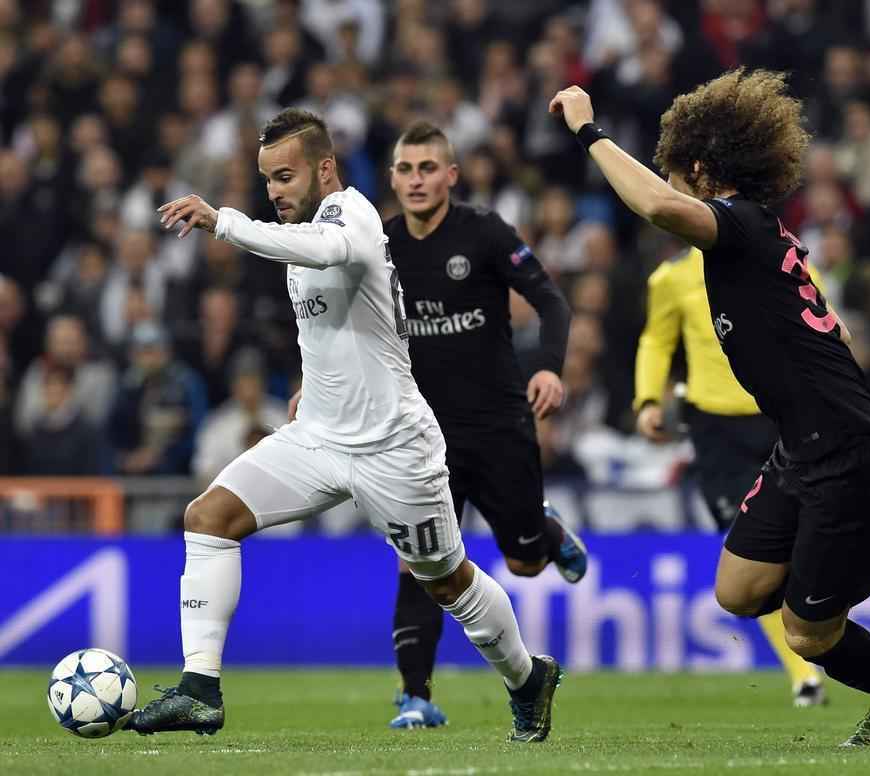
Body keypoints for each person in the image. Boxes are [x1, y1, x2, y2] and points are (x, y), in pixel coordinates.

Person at [550, 69, 870, 747]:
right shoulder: (765, 237)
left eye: (679, 171)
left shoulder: (738, 225)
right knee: (741, 591)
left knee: (808, 632)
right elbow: (831, 331)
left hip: (847, 449)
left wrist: (588, 130)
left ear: (699, 167)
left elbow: (660, 209)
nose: (675, 183)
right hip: (804, 444)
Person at [131, 108, 562, 743]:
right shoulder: (297, 233)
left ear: (324, 168)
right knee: (207, 517)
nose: (275, 190)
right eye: (267, 179)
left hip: (394, 446)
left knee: (446, 580)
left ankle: (527, 679)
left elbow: (331, 251)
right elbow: (335, 323)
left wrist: (224, 221)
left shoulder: (351, 213)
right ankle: (200, 689)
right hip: (321, 438)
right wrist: (314, 383)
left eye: (285, 176)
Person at [380, 120, 586, 729]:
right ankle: (415, 696)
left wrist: (548, 368)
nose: (416, 180)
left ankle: (542, 531)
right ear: (392, 178)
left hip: (498, 424)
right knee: (420, 561)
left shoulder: (486, 233)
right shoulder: (380, 243)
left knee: (523, 563)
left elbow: (551, 300)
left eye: (427, 168)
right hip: (419, 433)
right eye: (405, 169)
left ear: (451, 175)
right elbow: (343, 324)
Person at [633, 244, 828, 708]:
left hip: (781, 415)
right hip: (716, 430)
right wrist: (647, 400)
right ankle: (804, 674)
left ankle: (818, 641)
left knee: (805, 541)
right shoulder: (671, 277)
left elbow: (820, 319)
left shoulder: (775, 252)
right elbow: (656, 340)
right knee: (750, 550)